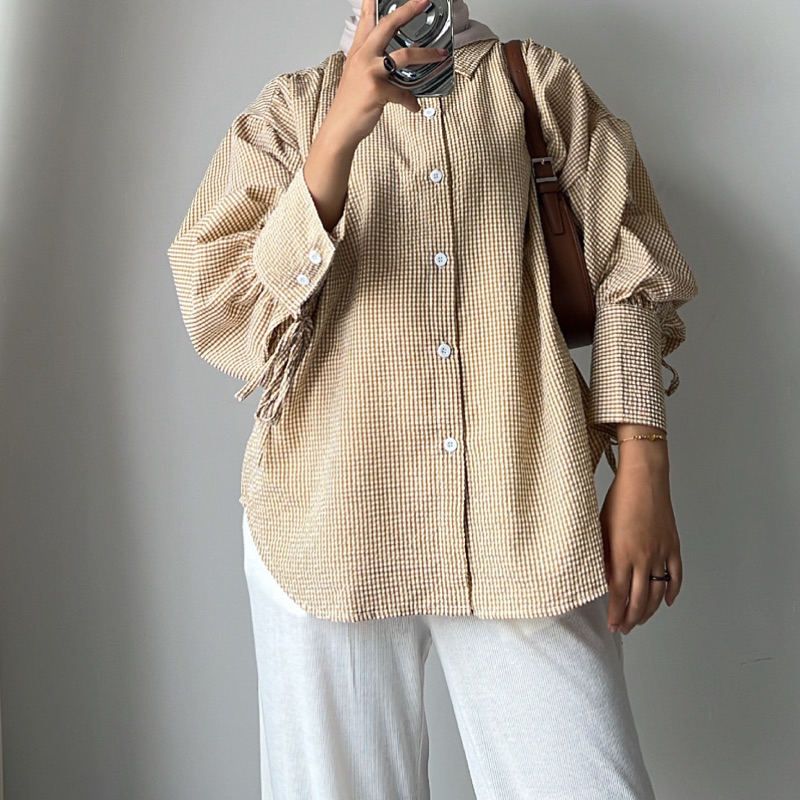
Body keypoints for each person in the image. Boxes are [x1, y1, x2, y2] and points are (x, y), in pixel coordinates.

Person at [167, 0, 700, 797]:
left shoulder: (538, 85)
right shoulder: (288, 112)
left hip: (523, 512)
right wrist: (336, 140)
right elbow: (224, 312)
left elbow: (632, 273)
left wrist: (644, 468)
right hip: (328, 523)